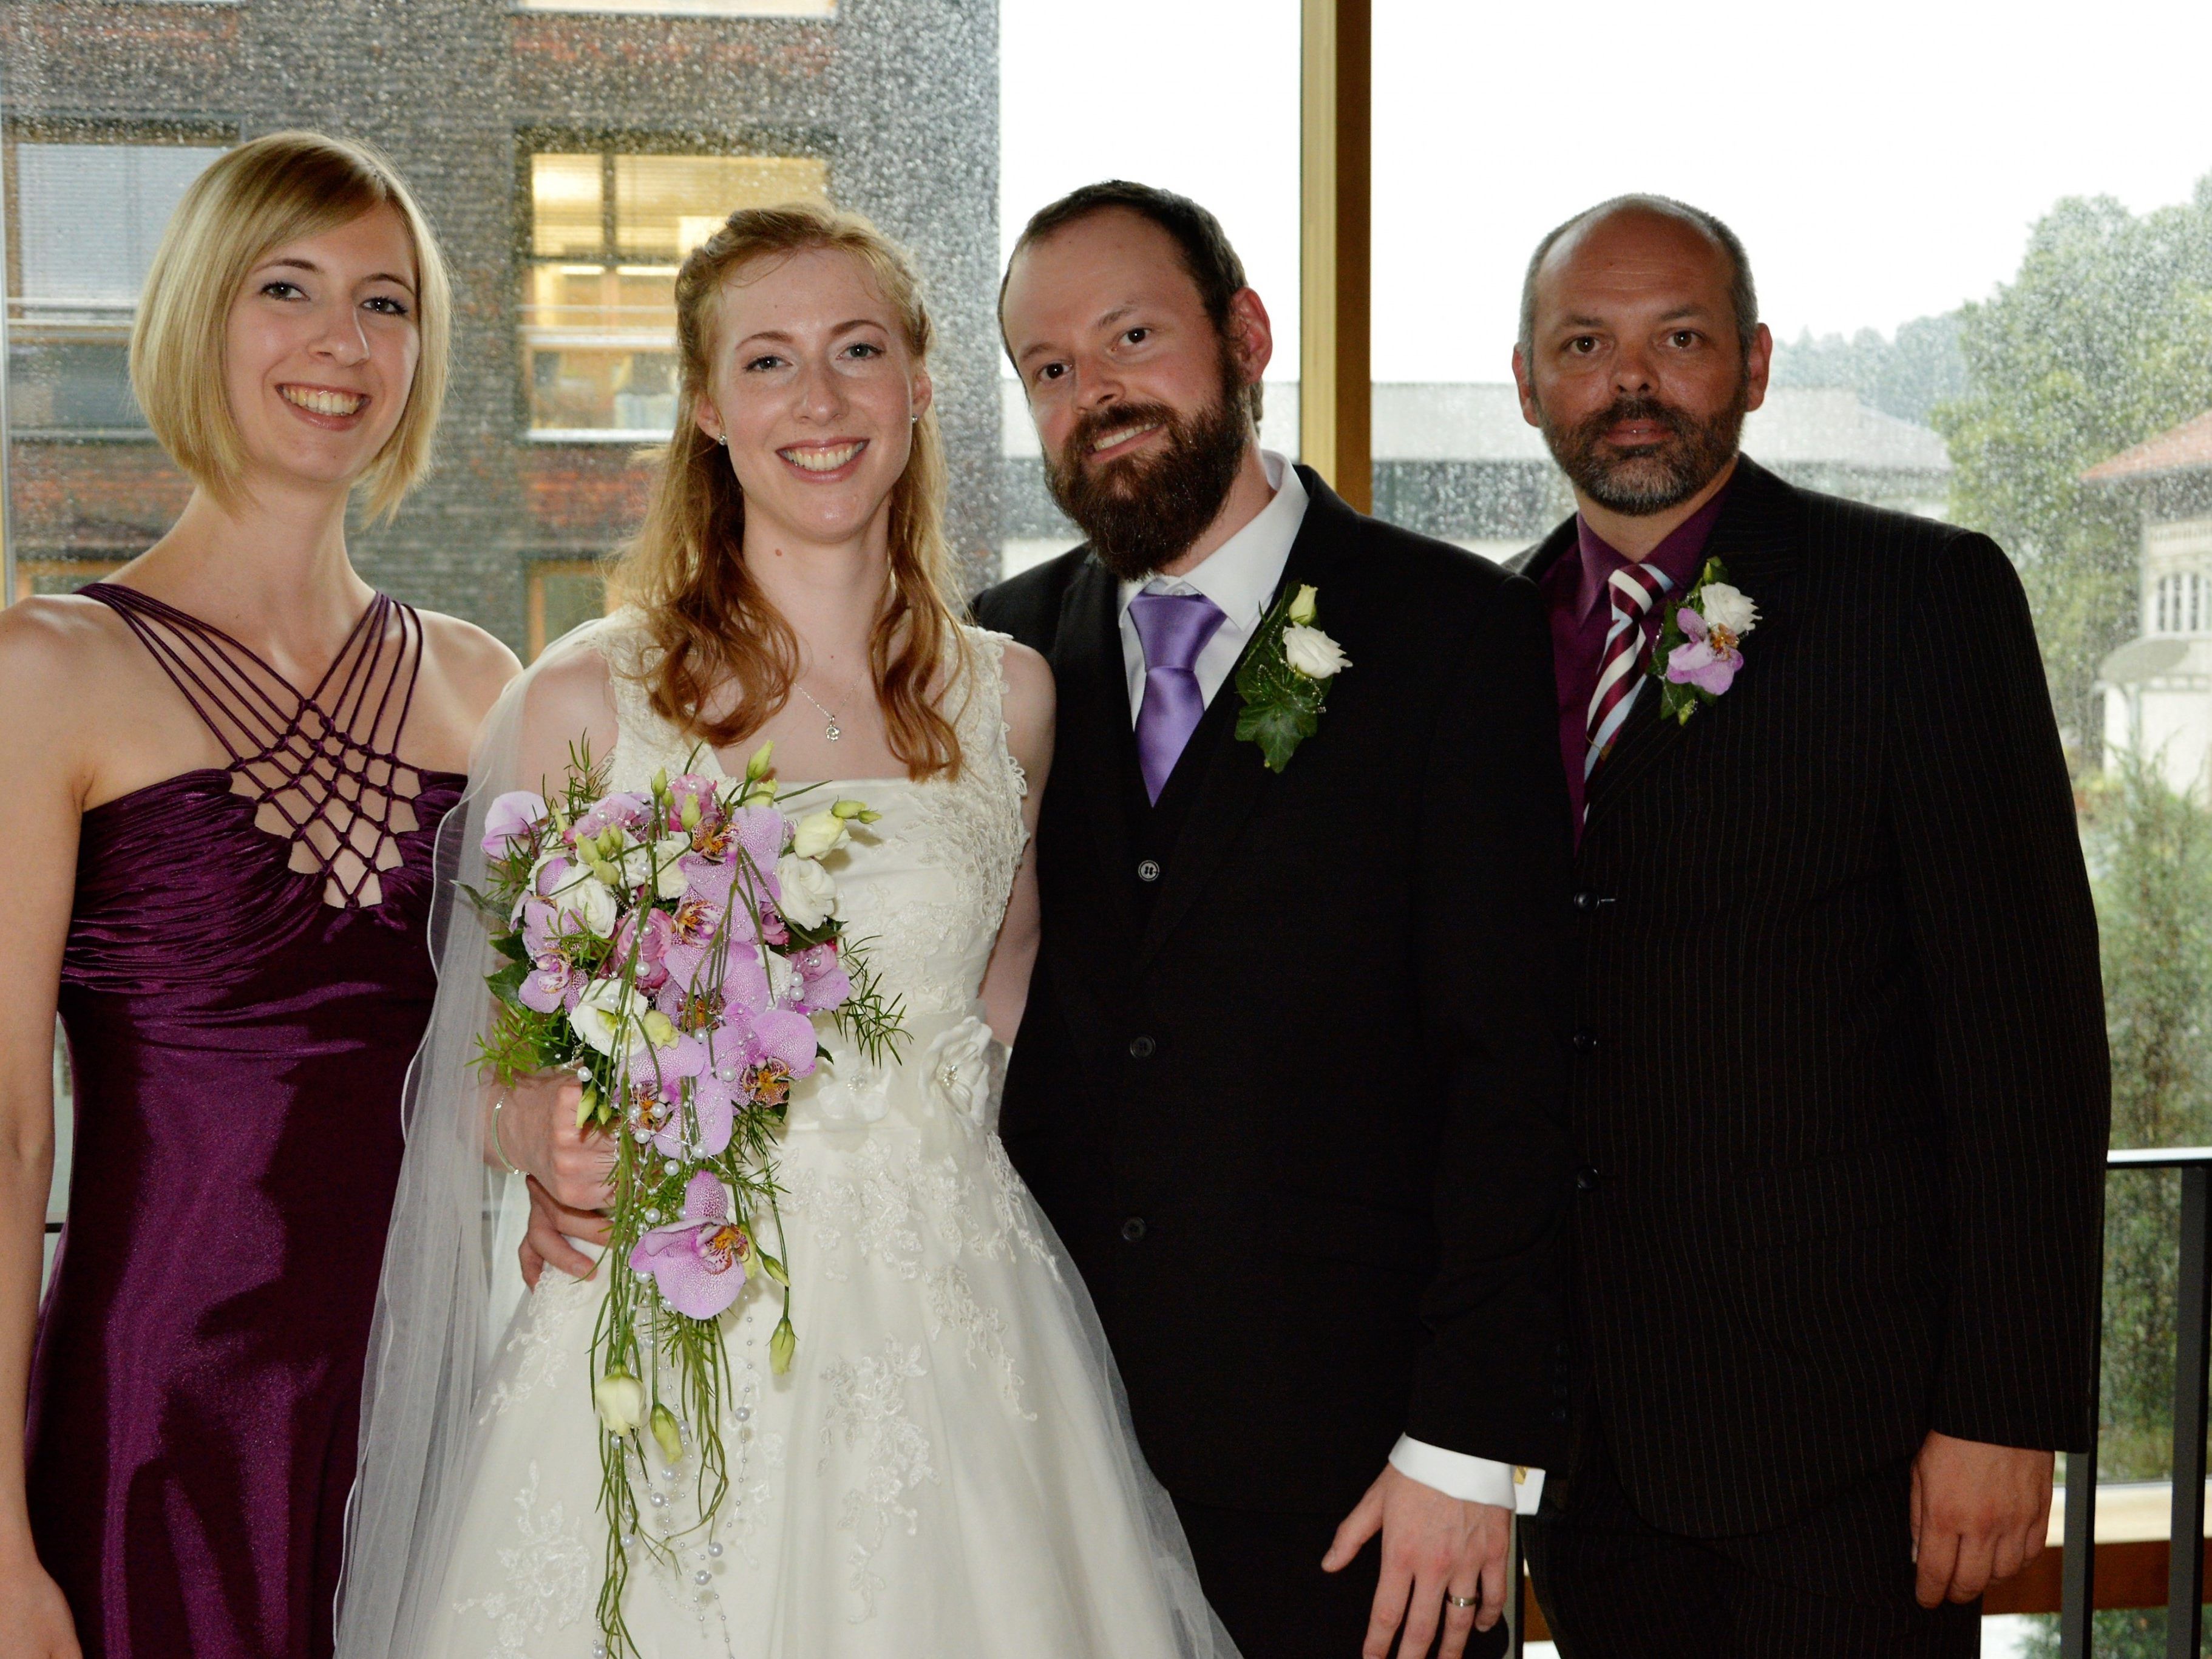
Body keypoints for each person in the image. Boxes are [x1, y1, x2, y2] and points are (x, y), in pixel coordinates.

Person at [335, 201, 1243, 1659]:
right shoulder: (586, 699)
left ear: (919, 383)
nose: (817, 403)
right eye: (766, 361)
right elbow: (490, 1055)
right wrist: (541, 1128)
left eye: (856, 350)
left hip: (958, 1341)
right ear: (704, 404)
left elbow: (996, 1016)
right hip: (676, 1341)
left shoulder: (1009, 695)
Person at [973, 181, 1576, 1659]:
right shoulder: (993, 655)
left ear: (1243, 334)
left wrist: (1467, 1448)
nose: (1093, 392)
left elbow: (1526, 1066)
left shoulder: (1455, 632)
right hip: (1044, 1466)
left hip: (1367, 1497)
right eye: (1050, 369)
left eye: (1131, 334)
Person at [1505, 194, 2109, 1658]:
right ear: (1529, 381)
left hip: (1853, 1451)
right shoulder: (1481, 641)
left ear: (1755, 364)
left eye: (1681, 338)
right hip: (1587, 1457)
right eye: (1586, 343)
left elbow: (2025, 1037)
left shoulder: (1917, 601)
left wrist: (2002, 1409)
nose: (1630, 380)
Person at [0, 132, 518, 1659]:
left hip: (432, 1412)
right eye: (288, 287)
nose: (342, 344)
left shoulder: (487, 685)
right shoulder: (47, 670)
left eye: (388, 301)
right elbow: (8, 1126)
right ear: (200, 314)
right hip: (153, 1416)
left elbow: (524, 1079)